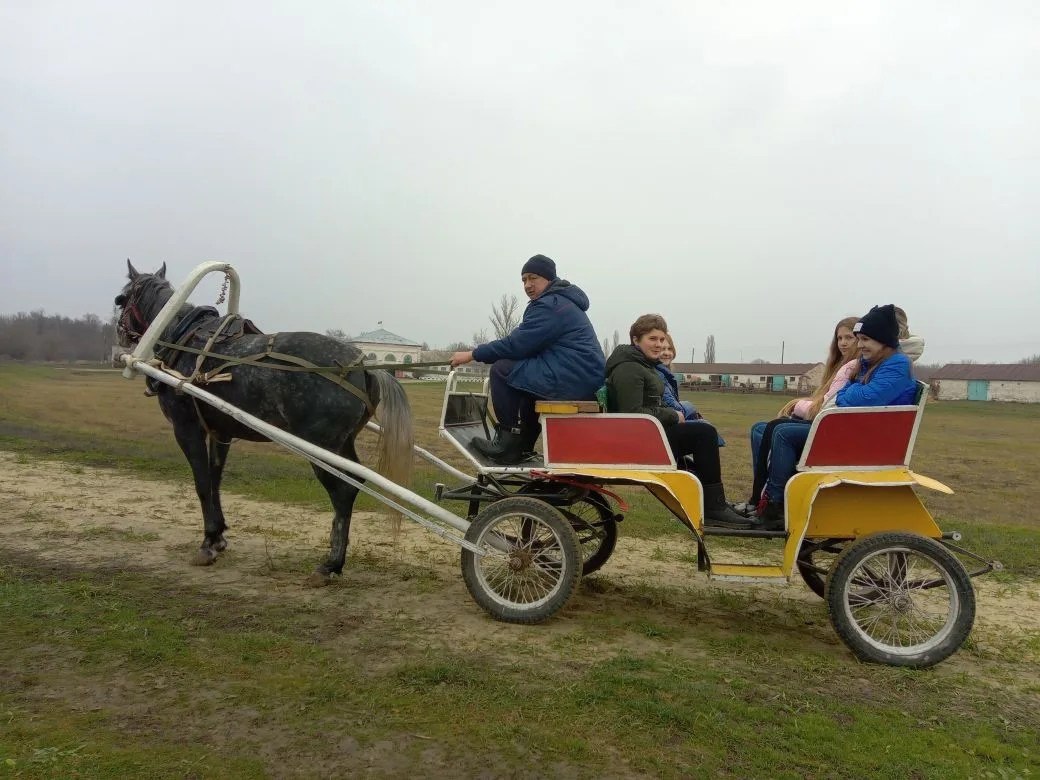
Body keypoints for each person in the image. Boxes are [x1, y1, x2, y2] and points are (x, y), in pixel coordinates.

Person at [754, 304, 918, 530]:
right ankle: (765, 501)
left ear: (884, 340)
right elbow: (852, 395)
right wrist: (849, 390)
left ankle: (775, 504)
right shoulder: (876, 363)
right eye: (859, 339)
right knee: (776, 426)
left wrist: (847, 390)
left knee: (783, 433)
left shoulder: (897, 365)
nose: (860, 346)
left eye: (866, 340)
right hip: (858, 431)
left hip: (867, 441)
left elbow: (856, 399)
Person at [450, 254, 604, 465]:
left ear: (548, 279)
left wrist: (471, 354)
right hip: (582, 379)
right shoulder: (560, 302)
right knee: (525, 381)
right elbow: (526, 346)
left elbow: (516, 345)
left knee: (503, 370)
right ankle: (522, 447)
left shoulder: (550, 305)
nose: (528, 285)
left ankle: (506, 445)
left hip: (575, 379)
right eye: (524, 280)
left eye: (533, 278)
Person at [605, 314, 750, 529]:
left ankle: (715, 503)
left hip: (649, 434)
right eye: (652, 339)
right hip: (638, 440)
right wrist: (673, 415)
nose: (659, 345)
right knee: (704, 434)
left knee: (701, 434)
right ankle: (713, 508)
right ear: (636, 340)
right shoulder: (629, 368)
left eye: (662, 340)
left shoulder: (642, 364)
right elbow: (633, 412)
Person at [742, 316, 860, 515]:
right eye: (839, 338)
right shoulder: (840, 366)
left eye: (849, 337)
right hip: (822, 423)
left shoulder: (851, 367)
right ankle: (761, 496)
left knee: (780, 432)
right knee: (759, 430)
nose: (843, 343)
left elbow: (824, 408)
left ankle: (775, 502)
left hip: (830, 429)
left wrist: (797, 405)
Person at [657, 334, 724, 446]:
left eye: (669, 349)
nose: (667, 353)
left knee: (693, 411)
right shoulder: (659, 375)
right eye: (662, 349)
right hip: (666, 425)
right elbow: (673, 407)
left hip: (669, 419)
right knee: (706, 427)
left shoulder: (666, 374)